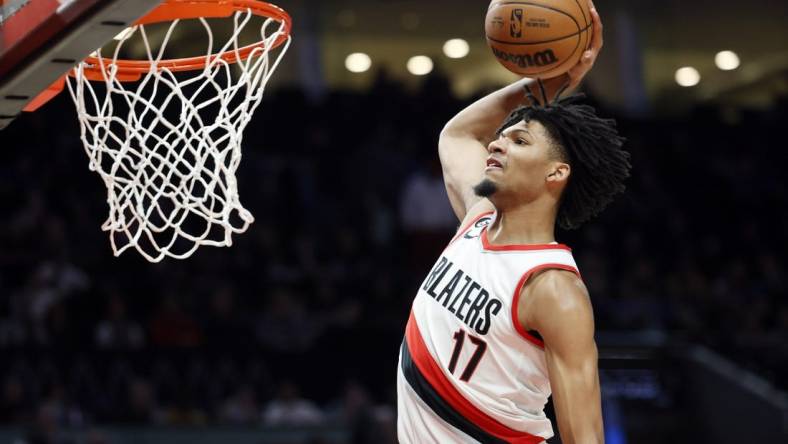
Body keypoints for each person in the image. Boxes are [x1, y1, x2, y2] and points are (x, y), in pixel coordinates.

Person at [396, 2, 631, 443]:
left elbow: (586, 434)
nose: (497, 143)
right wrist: (552, 83)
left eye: (518, 140)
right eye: (500, 136)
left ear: (556, 174)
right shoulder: (477, 220)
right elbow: (459, 134)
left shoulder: (552, 288)